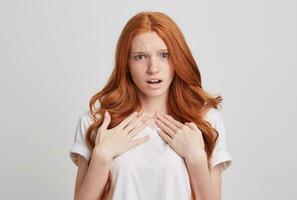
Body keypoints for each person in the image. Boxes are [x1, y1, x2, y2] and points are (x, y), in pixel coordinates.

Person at [69, 11, 232, 200]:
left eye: (164, 55)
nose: (153, 68)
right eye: (140, 57)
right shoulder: (95, 123)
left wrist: (195, 157)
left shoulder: (207, 122)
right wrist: (102, 157)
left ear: (178, 58)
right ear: (126, 63)